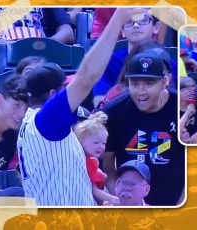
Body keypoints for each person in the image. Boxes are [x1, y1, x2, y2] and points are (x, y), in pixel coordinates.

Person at [16, 8, 128, 206]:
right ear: (52, 95)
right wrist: (118, 19)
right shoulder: (47, 119)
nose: (70, 93)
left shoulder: (34, 120)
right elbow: (87, 78)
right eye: (63, 89)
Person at [103, 51, 185, 206]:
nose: (141, 91)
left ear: (165, 81)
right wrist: (125, 203)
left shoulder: (181, 108)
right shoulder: (113, 112)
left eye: (148, 83)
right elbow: (108, 167)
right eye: (135, 84)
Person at [92, 8, 177, 107]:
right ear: (123, 30)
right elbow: (99, 101)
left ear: (156, 27)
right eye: (129, 21)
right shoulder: (107, 61)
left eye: (143, 20)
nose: (136, 25)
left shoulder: (170, 64)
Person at [0, 74, 29, 196]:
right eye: (16, 105)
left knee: (18, 193)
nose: (22, 114)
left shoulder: (12, 138)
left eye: (26, 108)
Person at [73, 111, 120, 205]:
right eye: (96, 143)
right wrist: (112, 199)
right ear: (81, 140)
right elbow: (93, 189)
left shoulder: (91, 161)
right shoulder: (83, 162)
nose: (101, 147)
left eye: (104, 143)